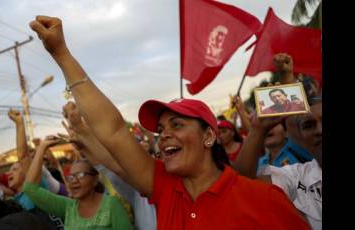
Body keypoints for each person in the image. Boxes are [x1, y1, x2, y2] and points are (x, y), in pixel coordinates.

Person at [29, 16, 309, 229]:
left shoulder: (265, 200)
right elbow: (113, 130)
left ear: (209, 137)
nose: (163, 136)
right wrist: (61, 54)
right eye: (161, 129)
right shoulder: (164, 187)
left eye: (177, 125)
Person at [62, 101, 157, 230]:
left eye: (177, 126)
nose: (74, 181)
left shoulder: (162, 180)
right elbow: (107, 164)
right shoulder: (138, 192)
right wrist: (83, 142)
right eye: (71, 177)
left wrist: (81, 128)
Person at [235, 94, 322, 229]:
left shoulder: (293, 151)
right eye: (308, 125)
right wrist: (258, 128)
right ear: (302, 137)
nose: (319, 130)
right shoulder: (297, 178)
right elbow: (241, 183)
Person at [23, 135, 132, 229]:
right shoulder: (67, 207)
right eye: (70, 177)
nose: (74, 181)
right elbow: (30, 189)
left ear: (95, 180)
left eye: (80, 175)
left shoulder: (111, 205)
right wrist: (42, 148)